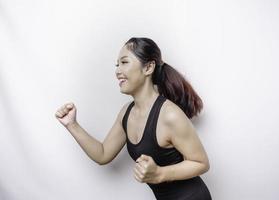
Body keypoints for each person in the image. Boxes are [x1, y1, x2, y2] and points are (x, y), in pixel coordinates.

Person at [55, 37, 212, 200]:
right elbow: (103, 154)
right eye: (117, 65)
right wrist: (72, 125)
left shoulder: (170, 115)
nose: (117, 71)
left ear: (149, 67)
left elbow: (201, 163)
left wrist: (159, 173)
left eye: (124, 62)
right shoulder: (126, 113)